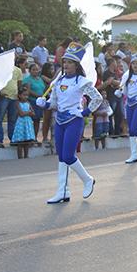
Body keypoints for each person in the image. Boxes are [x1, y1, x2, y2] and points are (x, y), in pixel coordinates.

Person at [37, 43, 103, 204]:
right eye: (64, 62)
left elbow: (97, 98)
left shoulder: (82, 81)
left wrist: (84, 112)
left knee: (68, 155)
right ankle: (63, 192)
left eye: (70, 62)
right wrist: (44, 104)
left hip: (74, 120)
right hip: (59, 120)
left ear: (77, 65)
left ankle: (87, 179)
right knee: (61, 157)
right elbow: (53, 103)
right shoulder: (58, 82)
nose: (66, 65)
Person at [0, 56, 24, 148]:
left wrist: (18, 94)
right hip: (4, 96)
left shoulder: (18, 70)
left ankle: (12, 139)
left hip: (14, 97)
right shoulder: (1, 70)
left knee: (12, 119)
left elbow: (19, 83)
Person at [21, 63, 49, 142]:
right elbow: (28, 91)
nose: (35, 71)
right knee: (31, 120)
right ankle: (29, 137)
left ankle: (35, 137)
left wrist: (43, 96)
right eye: (33, 70)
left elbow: (43, 88)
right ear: (29, 71)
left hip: (39, 103)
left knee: (37, 120)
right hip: (32, 101)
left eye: (37, 69)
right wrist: (38, 96)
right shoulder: (27, 80)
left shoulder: (40, 79)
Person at [11, 86, 37, 159]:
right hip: (21, 123)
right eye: (24, 95)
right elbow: (21, 114)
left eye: (27, 95)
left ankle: (26, 155)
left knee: (27, 140)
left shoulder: (28, 103)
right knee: (20, 141)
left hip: (27, 122)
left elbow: (33, 113)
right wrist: (28, 113)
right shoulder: (17, 103)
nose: (26, 97)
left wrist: (28, 113)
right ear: (19, 95)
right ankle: (20, 156)